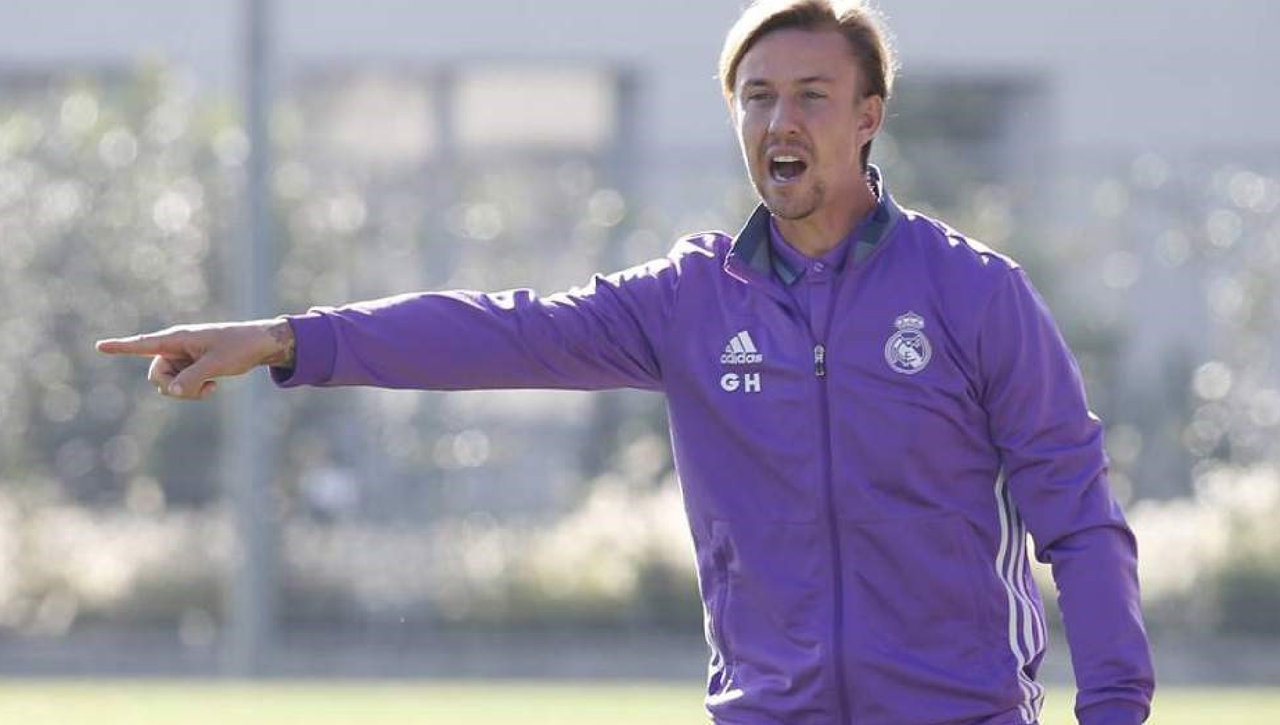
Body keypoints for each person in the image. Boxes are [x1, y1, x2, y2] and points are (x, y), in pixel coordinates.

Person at [97, 0, 1155, 722]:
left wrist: (1112, 708)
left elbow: (1078, 515)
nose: (778, 121)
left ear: (868, 117)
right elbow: (500, 331)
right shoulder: (690, 298)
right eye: (755, 97)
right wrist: (290, 337)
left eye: (809, 95)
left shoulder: (974, 293)